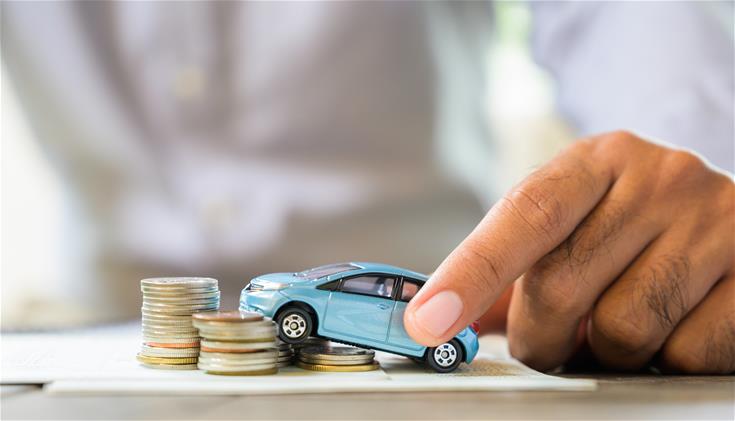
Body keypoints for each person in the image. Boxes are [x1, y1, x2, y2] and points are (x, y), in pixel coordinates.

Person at [2, 2, 732, 374]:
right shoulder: (296, 291)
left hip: (481, 315)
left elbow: (637, 27)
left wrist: (676, 210)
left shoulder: (331, 298)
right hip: (97, 342)